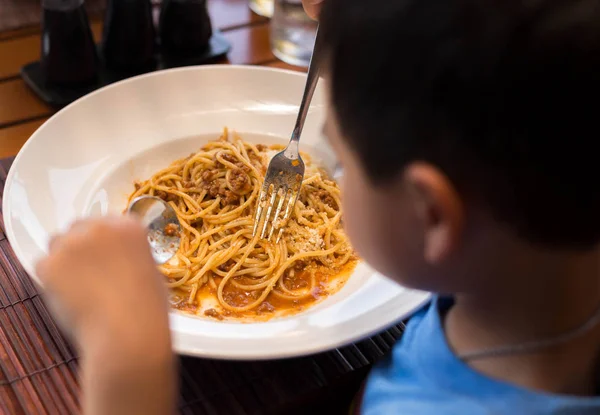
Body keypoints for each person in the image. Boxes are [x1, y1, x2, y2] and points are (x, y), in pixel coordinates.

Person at [37, 0, 600, 413]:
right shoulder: (525, 272)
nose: (332, 173)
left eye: (344, 165)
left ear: (430, 216)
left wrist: (128, 368)